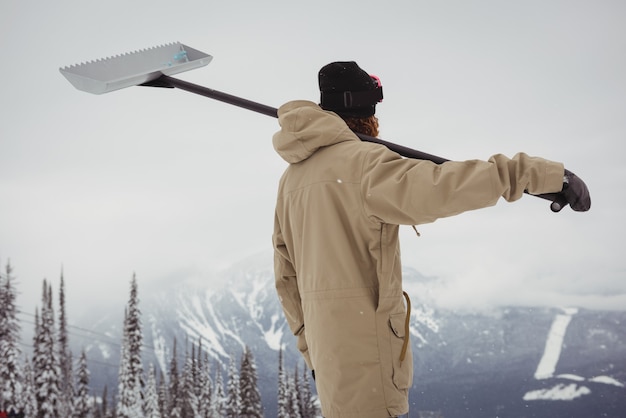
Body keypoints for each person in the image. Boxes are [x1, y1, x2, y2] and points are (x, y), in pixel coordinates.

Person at [271, 61, 590, 418]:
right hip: (369, 361)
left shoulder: (292, 179)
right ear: (367, 113)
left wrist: (312, 352)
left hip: (331, 363)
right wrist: (541, 175)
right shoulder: (365, 165)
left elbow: (287, 281)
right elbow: (445, 186)